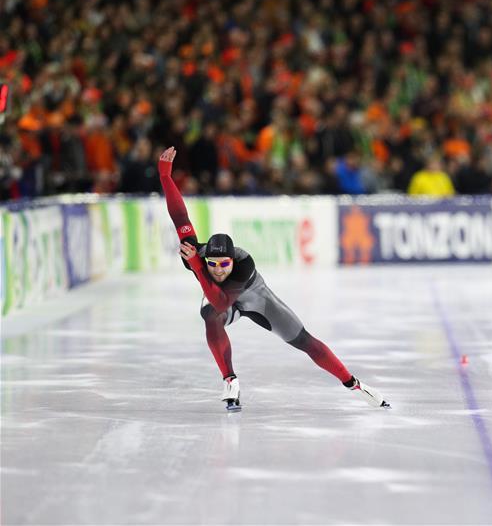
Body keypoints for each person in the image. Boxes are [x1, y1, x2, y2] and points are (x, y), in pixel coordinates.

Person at [157, 147, 390, 412]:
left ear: (233, 260)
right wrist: (166, 176)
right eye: (213, 264)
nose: (219, 270)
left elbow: (222, 300)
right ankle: (230, 379)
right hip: (218, 296)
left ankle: (353, 383)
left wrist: (200, 269)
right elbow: (180, 216)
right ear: (206, 257)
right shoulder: (194, 253)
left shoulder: (242, 264)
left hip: (255, 297)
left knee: (304, 341)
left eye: (224, 264)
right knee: (210, 318)